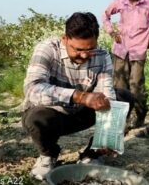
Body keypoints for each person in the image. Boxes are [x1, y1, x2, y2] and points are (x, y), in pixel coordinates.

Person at [22, 12, 133, 180]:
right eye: (79, 49)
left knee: (123, 97)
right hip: (54, 114)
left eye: (90, 49)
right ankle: (48, 155)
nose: (84, 55)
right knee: (36, 118)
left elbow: (107, 94)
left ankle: (93, 154)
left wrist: (112, 130)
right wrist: (79, 96)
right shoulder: (47, 50)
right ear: (65, 39)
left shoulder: (102, 56)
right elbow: (32, 89)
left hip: (82, 113)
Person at [102, 0, 149, 128]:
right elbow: (105, 15)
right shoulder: (120, 0)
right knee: (119, 86)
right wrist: (111, 32)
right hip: (120, 49)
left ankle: (141, 114)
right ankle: (121, 118)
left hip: (139, 49)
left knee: (136, 85)